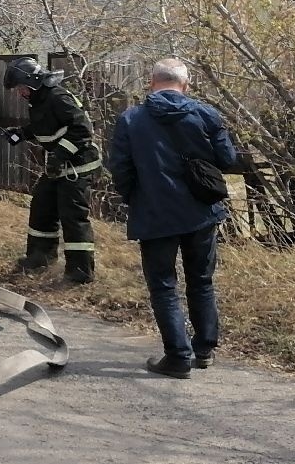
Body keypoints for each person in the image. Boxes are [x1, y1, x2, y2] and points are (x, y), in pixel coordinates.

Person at [107, 58, 238, 380]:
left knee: (164, 286)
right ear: (186, 85)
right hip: (200, 211)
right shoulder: (206, 114)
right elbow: (228, 159)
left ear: (151, 83)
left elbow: (119, 168)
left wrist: (133, 198)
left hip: (154, 214)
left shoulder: (131, 119)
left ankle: (178, 356)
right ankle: (204, 350)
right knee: (201, 281)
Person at [4, 56, 99, 283]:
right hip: (58, 167)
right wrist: (20, 134)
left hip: (78, 165)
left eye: (21, 88)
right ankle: (40, 259)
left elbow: (83, 130)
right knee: (41, 207)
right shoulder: (39, 100)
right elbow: (44, 126)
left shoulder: (58, 97)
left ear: (33, 82)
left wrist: (60, 154)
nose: (20, 93)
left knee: (73, 217)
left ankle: (80, 273)